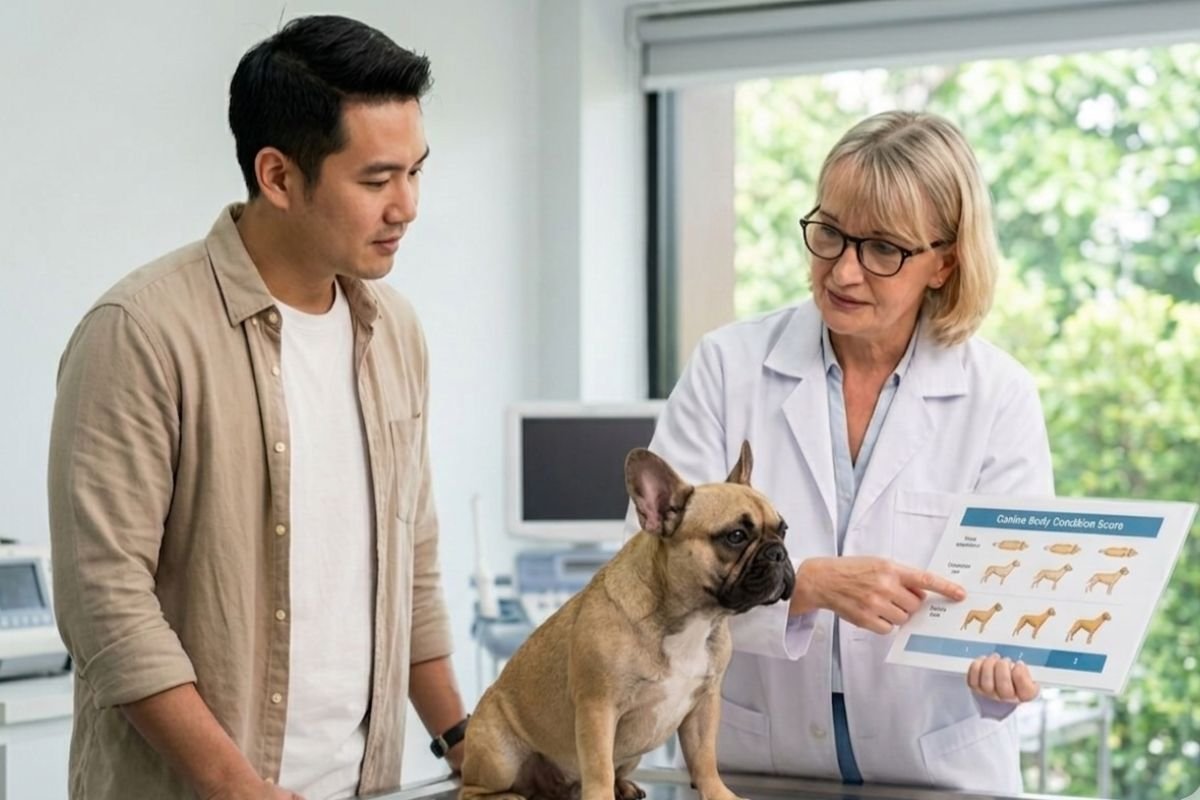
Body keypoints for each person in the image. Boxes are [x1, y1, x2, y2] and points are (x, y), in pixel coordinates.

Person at [47, 16, 468, 800]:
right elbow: (106, 605)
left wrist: (470, 744)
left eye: (416, 171)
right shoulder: (141, 332)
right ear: (277, 177)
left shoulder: (395, 331)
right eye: (376, 180)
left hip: (367, 786)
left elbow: (413, 569)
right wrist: (235, 786)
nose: (406, 205)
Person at [645, 110, 1052, 793]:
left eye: (883, 249)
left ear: (944, 260)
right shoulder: (729, 367)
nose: (843, 270)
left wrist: (1008, 664)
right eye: (830, 232)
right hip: (751, 762)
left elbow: (1016, 596)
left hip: (937, 765)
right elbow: (644, 574)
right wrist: (799, 585)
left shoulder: (998, 395)